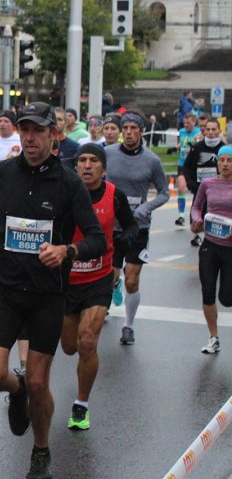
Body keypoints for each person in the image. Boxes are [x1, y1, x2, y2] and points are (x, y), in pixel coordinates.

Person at [0, 102, 105, 479]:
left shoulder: (68, 184)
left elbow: (97, 238)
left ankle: (41, 449)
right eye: (24, 130)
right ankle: (15, 393)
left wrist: (68, 251)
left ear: (54, 136)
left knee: (39, 382)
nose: (30, 138)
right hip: (7, 293)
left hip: (48, 297)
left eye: (38, 131)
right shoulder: (1, 174)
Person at [59, 144, 137, 431]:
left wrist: (123, 242)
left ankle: (81, 404)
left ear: (103, 168)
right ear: (75, 165)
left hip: (99, 278)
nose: (88, 165)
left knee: (87, 342)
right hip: (67, 281)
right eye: (82, 160)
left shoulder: (115, 195)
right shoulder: (65, 193)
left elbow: (131, 226)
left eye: (94, 160)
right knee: (68, 347)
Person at [105, 111, 170, 346]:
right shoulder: (108, 153)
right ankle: (111, 292)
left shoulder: (152, 160)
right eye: (126, 128)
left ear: (142, 131)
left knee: (132, 280)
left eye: (134, 128)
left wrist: (146, 208)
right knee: (110, 278)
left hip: (137, 227)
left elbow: (164, 193)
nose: (129, 133)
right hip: (111, 225)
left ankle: (128, 326)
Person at [191, 145, 232, 354]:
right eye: (222, 160)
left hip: (230, 249)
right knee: (208, 292)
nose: (225, 164)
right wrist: (197, 221)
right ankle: (213, 337)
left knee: (226, 298)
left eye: (229, 160)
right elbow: (197, 207)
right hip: (210, 244)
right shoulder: (208, 184)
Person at [184, 119, 226, 247]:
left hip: (219, 192)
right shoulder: (197, 148)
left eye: (214, 129)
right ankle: (198, 236)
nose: (211, 132)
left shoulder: (224, 149)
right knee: (195, 222)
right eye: (208, 129)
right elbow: (187, 167)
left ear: (219, 131)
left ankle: (216, 240)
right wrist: (191, 184)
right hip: (200, 189)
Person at [175, 112, 202, 227]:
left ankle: (197, 215)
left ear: (194, 122)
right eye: (184, 123)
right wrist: (175, 148)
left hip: (194, 166)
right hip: (182, 164)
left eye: (188, 123)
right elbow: (181, 143)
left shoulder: (199, 133)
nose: (186, 125)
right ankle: (181, 216)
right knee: (181, 188)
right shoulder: (181, 132)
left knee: (198, 192)